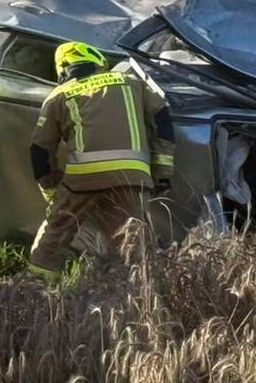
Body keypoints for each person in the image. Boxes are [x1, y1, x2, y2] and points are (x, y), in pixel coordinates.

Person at [28, 41, 175, 279]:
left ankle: (36, 285)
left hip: (82, 179)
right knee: (132, 241)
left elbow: (40, 149)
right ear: (98, 62)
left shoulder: (58, 95)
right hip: (131, 174)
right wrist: (162, 171)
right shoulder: (132, 82)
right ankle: (136, 291)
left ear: (63, 70)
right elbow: (162, 121)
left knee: (55, 235)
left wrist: (52, 190)